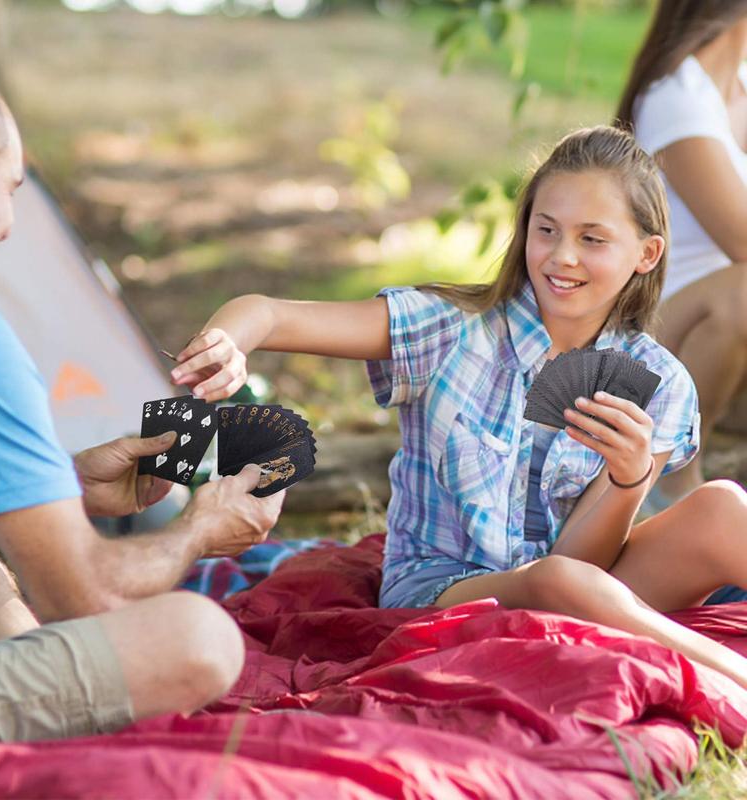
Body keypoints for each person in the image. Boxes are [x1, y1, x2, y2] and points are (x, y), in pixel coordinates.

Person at [172, 125, 747, 691]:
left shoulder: (658, 381)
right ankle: (727, 677)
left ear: (646, 254)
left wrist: (629, 481)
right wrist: (228, 342)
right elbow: (270, 313)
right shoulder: (448, 331)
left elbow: (579, 562)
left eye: (592, 239)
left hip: (577, 582)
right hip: (440, 589)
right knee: (557, 582)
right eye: (546, 230)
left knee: (723, 506)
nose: (562, 256)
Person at [0, 60, 284, 742]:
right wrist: (199, 528)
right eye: (7, 190)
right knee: (199, 636)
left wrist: (71, 488)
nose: (9, 224)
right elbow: (82, 596)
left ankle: (45, 729)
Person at [616, 0, 747, 508]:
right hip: (652, 336)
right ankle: (671, 481)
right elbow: (742, 241)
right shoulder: (677, 97)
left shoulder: (736, 84)